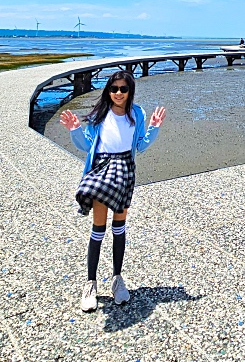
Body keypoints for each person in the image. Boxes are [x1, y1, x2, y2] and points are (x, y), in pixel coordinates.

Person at [61, 71, 166, 312]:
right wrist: (76, 129)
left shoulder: (136, 113)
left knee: (119, 227)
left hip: (125, 169)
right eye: (114, 88)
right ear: (108, 91)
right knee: (99, 227)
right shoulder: (99, 115)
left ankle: (117, 279)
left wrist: (153, 129)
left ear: (130, 91)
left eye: (123, 89)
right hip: (102, 167)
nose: (118, 93)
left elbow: (139, 145)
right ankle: (90, 284)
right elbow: (87, 146)